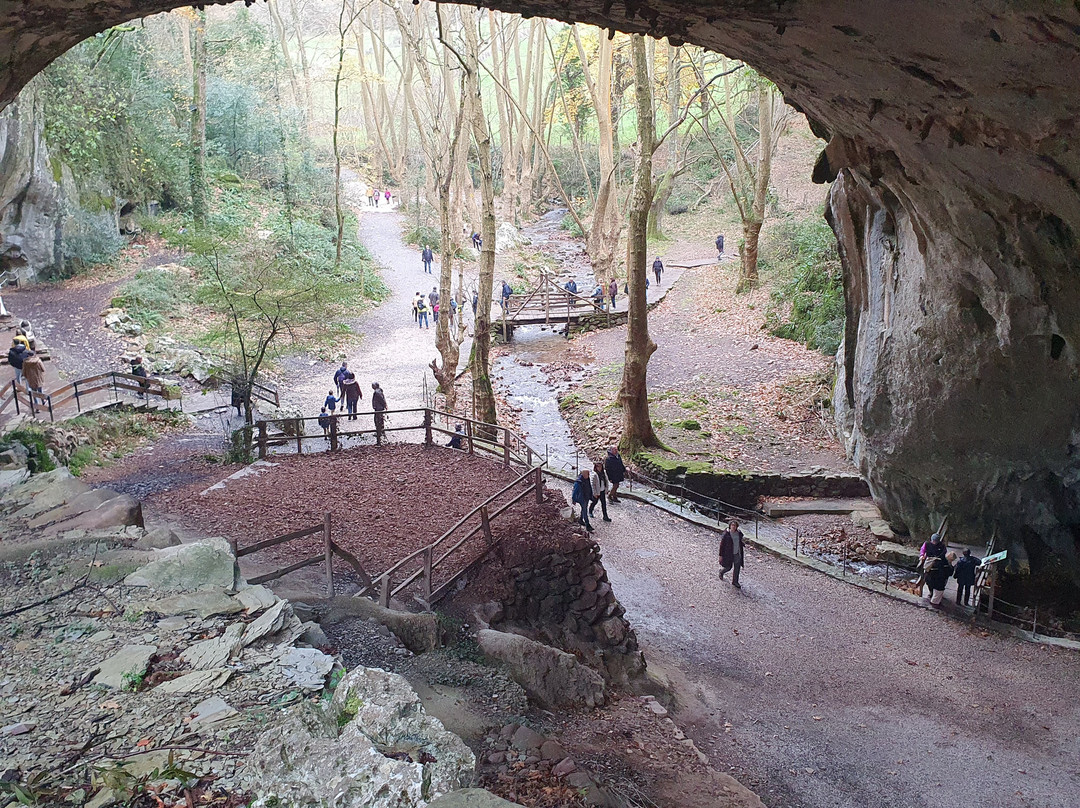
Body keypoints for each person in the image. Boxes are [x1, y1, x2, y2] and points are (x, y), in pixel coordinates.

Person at [719, 520, 745, 588]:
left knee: (737, 568)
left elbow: (740, 541)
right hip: (729, 554)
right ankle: (721, 572)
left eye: (735, 525)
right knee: (728, 567)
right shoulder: (726, 534)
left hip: (737, 553)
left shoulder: (739, 533)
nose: (733, 527)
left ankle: (735, 581)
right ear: (730, 526)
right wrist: (721, 555)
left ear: (736, 527)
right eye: (732, 525)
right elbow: (722, 545)